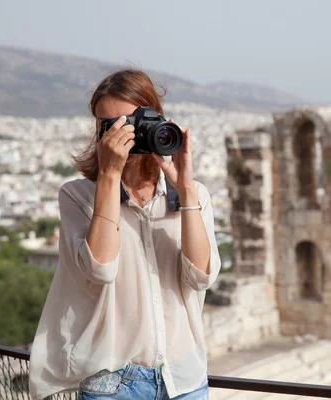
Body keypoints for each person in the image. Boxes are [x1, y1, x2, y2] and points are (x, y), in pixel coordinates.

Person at [28, 69, 221, 400]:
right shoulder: (77, 196)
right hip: (113, 384)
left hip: (184, 378)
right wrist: (108, 175)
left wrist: (187, 193)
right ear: (98, 131)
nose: (122, 134)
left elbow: (202, 276)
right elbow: (100, 268)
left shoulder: (191, 194)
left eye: (131, 122)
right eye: (110, 126)